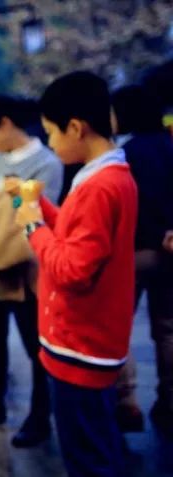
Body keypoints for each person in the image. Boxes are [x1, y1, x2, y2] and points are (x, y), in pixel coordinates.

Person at [14, 71, 137, 476]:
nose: (49, 143)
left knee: (88, 459)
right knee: (97, 447)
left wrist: (33, 225)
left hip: (80, 348)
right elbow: (75, 232)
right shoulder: (104, 175)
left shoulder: (101, 186)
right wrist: (41, 207)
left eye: (51, 133)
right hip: (85, 344)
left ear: (75, 127)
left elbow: (72, 269)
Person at [0, 96, 63, 447]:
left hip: (27, 271)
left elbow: (34, 214)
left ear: (6, 123)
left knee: (36, 346)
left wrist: (12, 202)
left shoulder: (48, 164)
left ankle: (39, 418)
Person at [111, 85, 173, 435]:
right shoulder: (170, 146)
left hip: (132, 254)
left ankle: (126, 402)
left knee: (119, 327)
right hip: (169, 250)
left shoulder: (125, 154)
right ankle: (169, 400)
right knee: (167, 329)